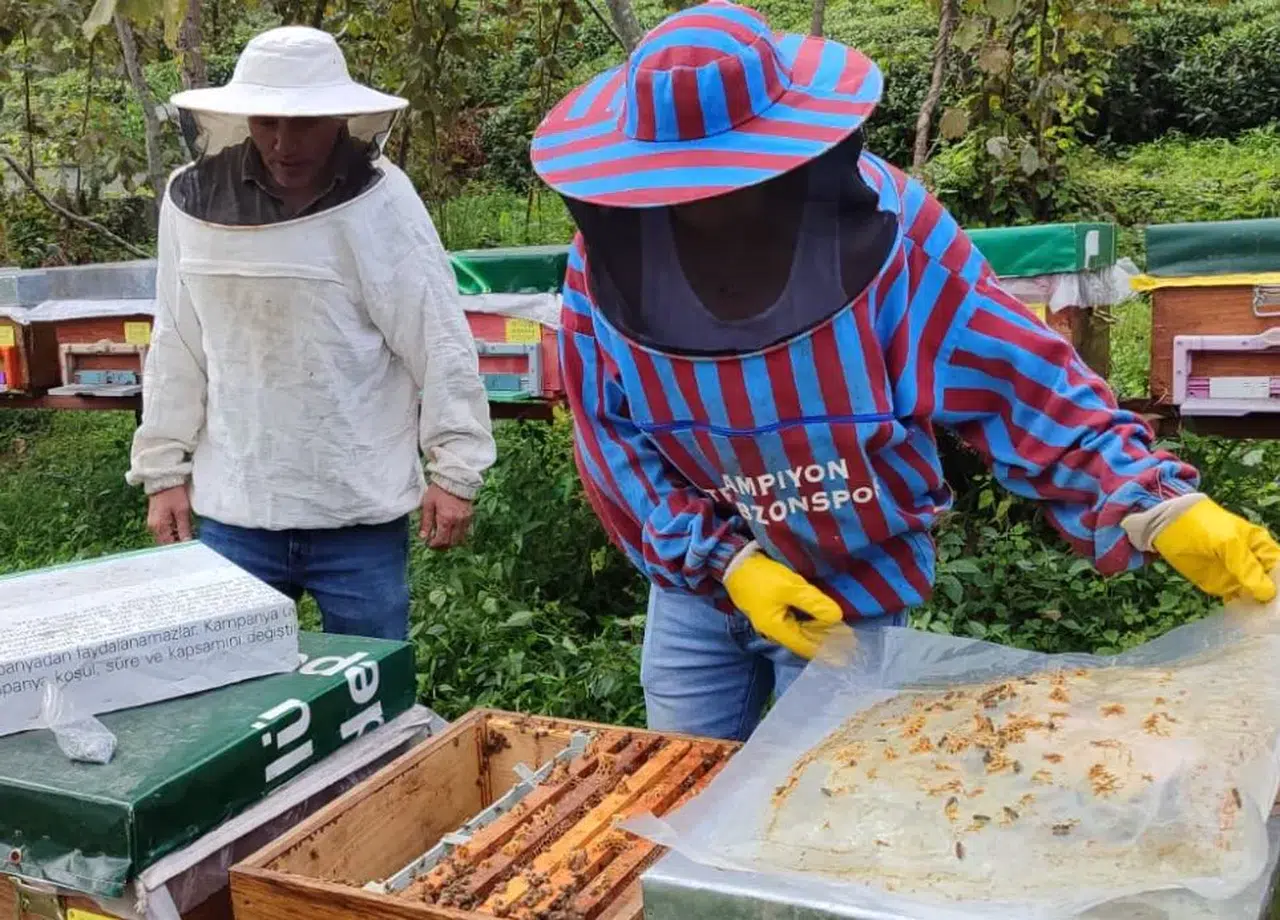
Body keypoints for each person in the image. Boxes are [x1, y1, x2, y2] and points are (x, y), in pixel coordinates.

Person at [531, 0, 1280, 741]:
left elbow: (1018, 379)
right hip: (697, 595)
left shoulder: (898, 234)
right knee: (682, 786)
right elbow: (611, 439)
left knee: (820, 813)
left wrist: (1154, 502)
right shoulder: (601, 264)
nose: (711, 206)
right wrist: (725, 564)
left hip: (853, 586)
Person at [127, 26, 495, 641]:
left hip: (358, 518)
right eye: (268, 121)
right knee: (238, 706)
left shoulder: (384, 199)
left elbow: (438, 339)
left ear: (339, 119)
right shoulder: (188, 199)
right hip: (235, 510)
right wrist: (163, 471)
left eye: (303, 124)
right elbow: (178, 343)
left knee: (372, 700)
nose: (282, 141)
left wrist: (456, 471)